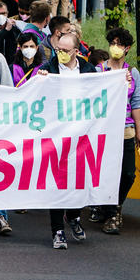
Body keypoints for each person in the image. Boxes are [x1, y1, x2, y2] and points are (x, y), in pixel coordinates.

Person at [35, 31, 94, 249]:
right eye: (58, 49)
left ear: (77, 52)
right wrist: (38, 83)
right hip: (56, 136)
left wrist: (121, 80)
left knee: (79, 180)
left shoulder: (89, 71)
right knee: (57, 182)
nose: (60, 53)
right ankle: (57, 230)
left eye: (65, 50)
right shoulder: (48, 69)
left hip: (81, 135)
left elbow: (102, 92)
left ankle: (75, 216)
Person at [93, 27, 140, 234]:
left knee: (128, 173)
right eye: (112, 43)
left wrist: (139, 130)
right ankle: (111, 212)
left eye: (119, 44)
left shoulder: (132, 73)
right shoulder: (99, 71)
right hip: (103, 130)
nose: (115, 47)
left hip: (126, 129)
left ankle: (115, 205)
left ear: (127, 48)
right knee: (106, 172)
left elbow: (136, 102)